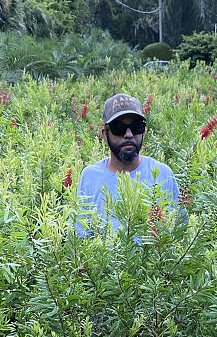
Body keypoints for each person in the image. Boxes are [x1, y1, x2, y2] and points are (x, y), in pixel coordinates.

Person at [75, 93, 182, 236]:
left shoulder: (163, 174)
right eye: (119, 128)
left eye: (137, 126)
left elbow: (180, 235)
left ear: (144, 131)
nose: (129, 134)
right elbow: (81, 241)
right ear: (104, 134)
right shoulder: (90, 177)